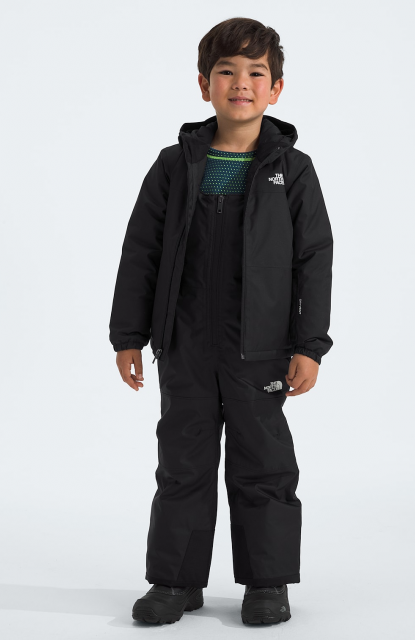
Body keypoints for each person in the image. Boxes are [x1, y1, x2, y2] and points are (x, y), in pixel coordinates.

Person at [108, 17, 333, 625]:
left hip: (261, 348)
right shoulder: (174, 165)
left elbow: (315, 259)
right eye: (226, 72)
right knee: (182, 463)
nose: (241, 83)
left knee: (263, 463)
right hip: (184, 343)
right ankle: (175, 581)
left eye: (256, 73)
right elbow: (140, 252)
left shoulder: (293, 170)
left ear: (275, 88)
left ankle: (267, 582)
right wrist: (129, 336)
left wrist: (309, 345)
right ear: (204, 84)